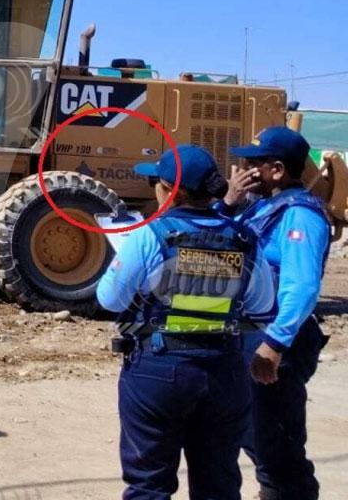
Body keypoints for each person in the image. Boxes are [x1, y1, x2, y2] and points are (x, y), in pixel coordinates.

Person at [97, 145, 274, 500]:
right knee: (218, 485)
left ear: (171, 192)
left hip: (157, 372)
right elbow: (262, 304)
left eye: (157, 184)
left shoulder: (149, 235)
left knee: (149, 484)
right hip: (223, 371)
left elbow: (110, 298)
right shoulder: (244, 239)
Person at [222, 126, 332, 500]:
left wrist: (275, 343)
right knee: (254, 433)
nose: (244, 169)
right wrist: (228, 202)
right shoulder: (263, 205)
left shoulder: (301, 216)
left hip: (278, 341)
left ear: (277, 169)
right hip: (254, 333)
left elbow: (301, 285)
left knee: (277, 444)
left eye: (254, 164)